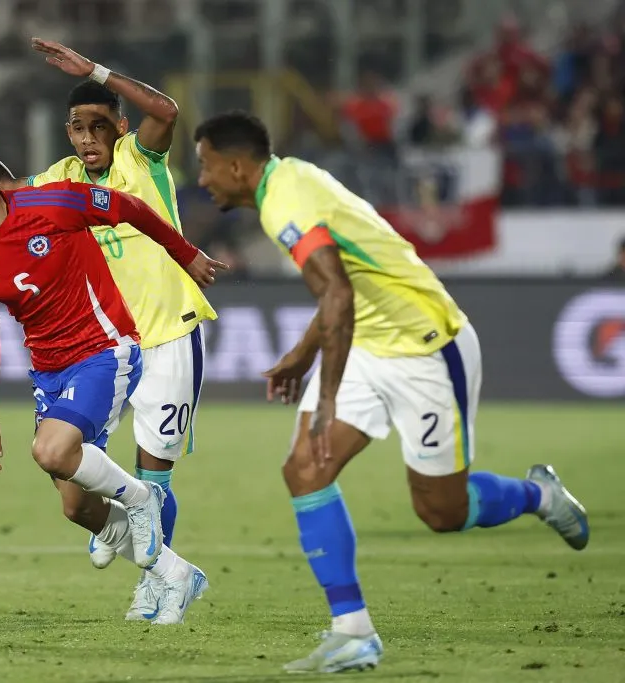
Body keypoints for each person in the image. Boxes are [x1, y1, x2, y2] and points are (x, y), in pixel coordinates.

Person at [192, 110, 590, 673]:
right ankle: (353, 632)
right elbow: (346, 288)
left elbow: (337, 294)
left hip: (427, 348)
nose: (202, 179)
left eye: (206, 165)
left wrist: (326, 395)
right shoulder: (289, 180)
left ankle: (538, 495)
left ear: (236, 166)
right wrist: (303, 355)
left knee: (442, 511)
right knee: (305, 468)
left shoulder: (285, 201)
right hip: (366, 344)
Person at [0, 39, 218, 621]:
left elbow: (167, 112)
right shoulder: (58, 181)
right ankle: (162, 564)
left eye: (98, 126)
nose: (87, 138)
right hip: (80, 345)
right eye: (77, 128)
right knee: (74, 498)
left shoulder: (141, 158)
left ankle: (154, 581)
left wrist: (96, 71)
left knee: (152, 476)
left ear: (120, 127)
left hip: (161, 331)